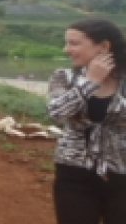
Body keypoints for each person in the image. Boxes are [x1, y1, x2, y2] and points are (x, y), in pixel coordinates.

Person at [48, 18, 126, 223]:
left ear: (104, 47)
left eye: (74, 43)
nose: (66, 49)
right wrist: (90, 82)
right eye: (67, 43)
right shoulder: (64, 77)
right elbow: (57, 113)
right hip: (74, 175)